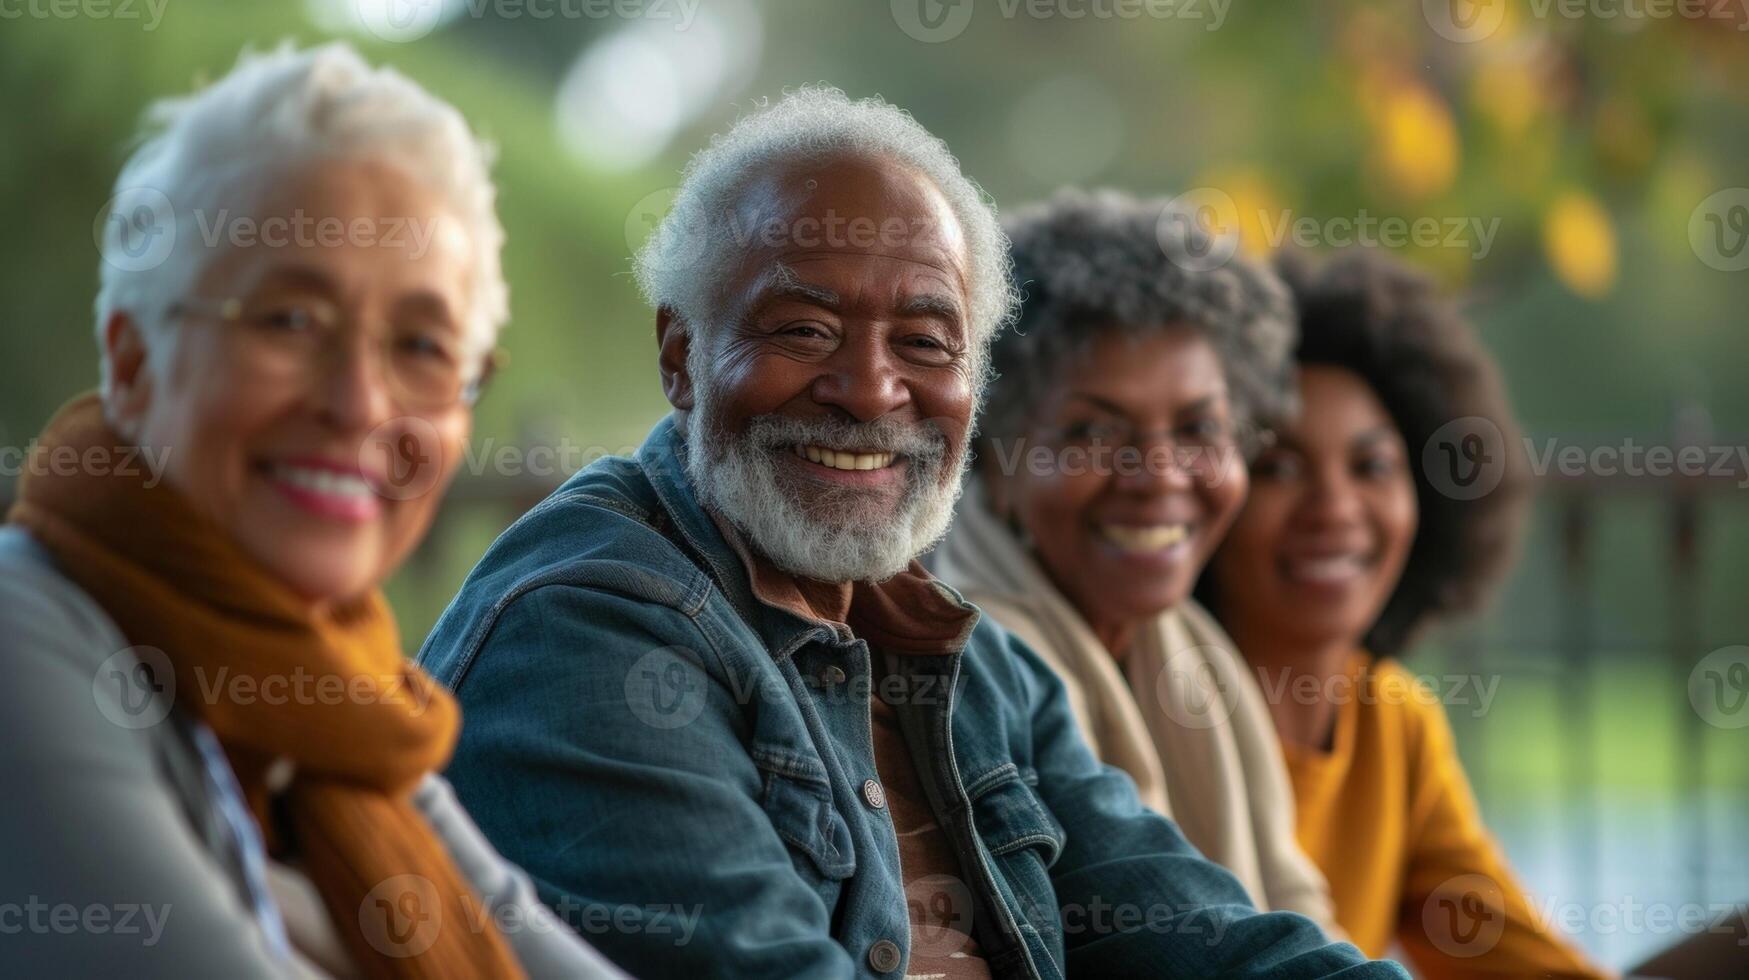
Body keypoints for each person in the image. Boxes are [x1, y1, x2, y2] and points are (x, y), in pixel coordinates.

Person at [419, 87, 1404, 979]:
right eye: (803, 329)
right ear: (682, 357)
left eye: (927, 343)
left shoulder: (971, 659)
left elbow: (1203, 936)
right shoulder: (588, 631)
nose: (872, 391)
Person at [0, 43, 623, 979]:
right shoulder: (27, 636)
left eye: (420, 345)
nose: (362, 405)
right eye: (289, 320)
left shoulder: (345, 705)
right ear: (130, 363)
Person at [933, 188, 1339, 933]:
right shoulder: (966, 660)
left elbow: (1293, 899)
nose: (1158, 474)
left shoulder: (1198, 653)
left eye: (1198, 429)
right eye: (1092, 432)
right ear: (992, 453)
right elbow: (1175, 930)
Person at [1200, 249, 1606, 977]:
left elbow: (1520, 965)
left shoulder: (1393, 724)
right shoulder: (1152, 706)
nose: (1333, 509)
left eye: (1371, 467)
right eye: (1279, 468)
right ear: (1206, 495)